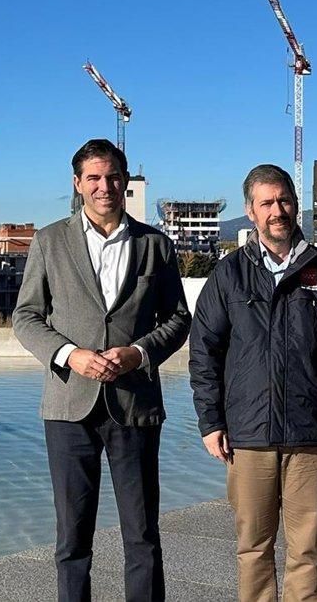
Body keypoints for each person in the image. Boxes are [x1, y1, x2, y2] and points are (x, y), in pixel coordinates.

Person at [12, 139, 192, 602]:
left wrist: (138, 353)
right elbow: (26, 317)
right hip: (68, 406)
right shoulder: (49, 241)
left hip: (134, 405)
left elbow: (177, 319)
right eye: (93, 178)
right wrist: (69, 354)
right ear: (78, 184)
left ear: (125, 181)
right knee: (72, 539)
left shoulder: (155, 244)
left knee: (142, 534)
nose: (104, 186)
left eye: (112, 177)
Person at [188, 164, 317, 602]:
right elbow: (204, 352)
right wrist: (211, 422)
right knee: (253, 547)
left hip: (311, 435)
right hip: (248, 437)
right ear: (250, 211)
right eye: (266, 202)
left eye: (283, 200)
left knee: (308, 549)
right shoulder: (229, 274)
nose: (277, 210)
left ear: (295, 204)